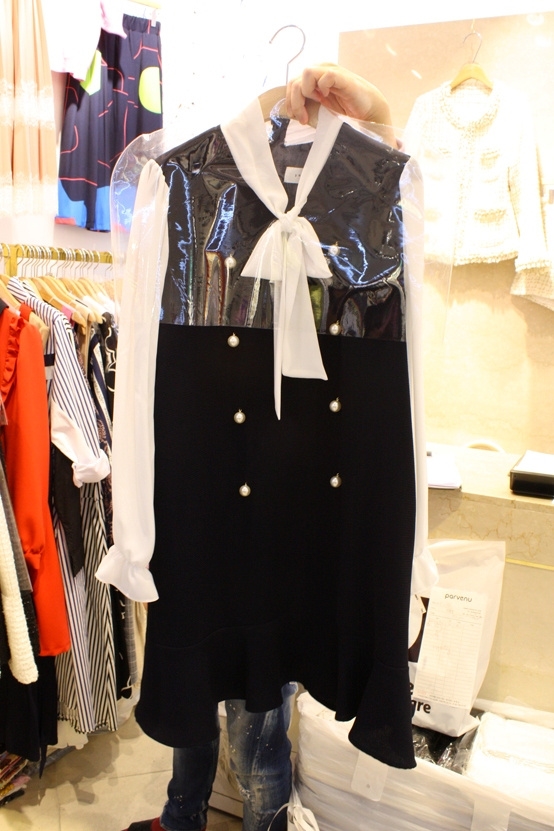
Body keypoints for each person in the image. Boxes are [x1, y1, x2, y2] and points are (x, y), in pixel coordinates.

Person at [122, 64, 397, 831]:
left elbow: (395, 389)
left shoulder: (366, 191)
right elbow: (140, 376)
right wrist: (136, 538)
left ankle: (240, 818)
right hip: (206, 503)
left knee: (259, 714)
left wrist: (376, 116)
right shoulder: (183, 181)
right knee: (206, 683)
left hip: (290, 515)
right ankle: (185, 814)